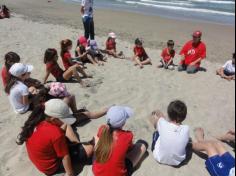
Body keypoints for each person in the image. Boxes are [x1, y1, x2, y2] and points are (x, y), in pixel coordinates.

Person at [17, 99, 95, 176]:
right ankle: (79, 146)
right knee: (89, 149)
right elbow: (65, 157)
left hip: (41, 161)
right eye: (64, 119)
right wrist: (70, 173)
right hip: (51, 167)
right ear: (53, 119)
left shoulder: (36, 121)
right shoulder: (56, 134)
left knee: (65, 128)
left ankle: (76, 145)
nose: (66, 121)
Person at [93, 106, 148, 176]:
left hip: (97, 172)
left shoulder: (102, 129)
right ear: (123, 123)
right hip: (119, 174)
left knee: (96, 138)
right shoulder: (128, 135)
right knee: (142, 145)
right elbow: (130, 150)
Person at [150, 100, 190, 166]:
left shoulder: (162, 123)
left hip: (160, 158)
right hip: (179, 161)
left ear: (168, 115)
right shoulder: (186, 128)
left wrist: (157, 113)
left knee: (156, 133)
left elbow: (159, 117)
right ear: (184, 117)